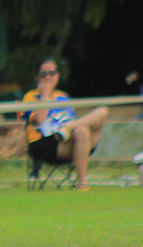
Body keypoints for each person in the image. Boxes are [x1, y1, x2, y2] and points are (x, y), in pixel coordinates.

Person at [21, 58, 108, 191]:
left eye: (52, 73)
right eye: (43, 74)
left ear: (57, 75)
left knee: (101, 113)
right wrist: (45, 94)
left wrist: (68, 127)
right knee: (81, 131)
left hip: (68, 137)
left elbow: (72, 118)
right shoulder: (31, 96)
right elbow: (39, 120)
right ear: (37, 77)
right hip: (44, 143)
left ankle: (81, 182)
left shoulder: (63, 97)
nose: (48, 77)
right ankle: (82, 182)